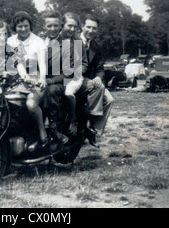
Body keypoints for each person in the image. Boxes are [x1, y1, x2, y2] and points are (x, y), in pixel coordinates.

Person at [42, 11, 87, 144]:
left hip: (68, 76)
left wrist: (78, 71)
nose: (72, 29)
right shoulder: (43, 41)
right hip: (49, 77)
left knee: (57, 91)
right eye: (69, 26)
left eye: (75, 27)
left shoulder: (74, 42)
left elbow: (74, 67)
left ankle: (55, 127)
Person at [7, 11, 49, 151]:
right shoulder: (10, 41)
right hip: (15, 80)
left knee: (31, 104)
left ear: (30, 25)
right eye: (20, 26)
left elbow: (42, 63)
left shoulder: (38, 41)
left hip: (34, 79)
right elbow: (15, 61)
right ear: (15, 27)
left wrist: (42, 77)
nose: (23, 29)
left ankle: (42, 133)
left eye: (26, 26)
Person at [79, 14, 114, 147]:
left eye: (94, 28)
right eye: (88, 27)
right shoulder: (74, 41)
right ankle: (88, 125)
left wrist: (98, 77)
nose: (91, 31)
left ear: (97, 30)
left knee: (110, 100)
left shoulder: (96, 46)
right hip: (76, 79)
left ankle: (94, 129)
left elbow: (100, 68)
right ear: (82, 26)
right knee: (98, 88)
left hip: (91, 80)